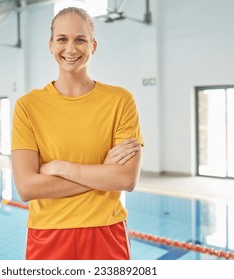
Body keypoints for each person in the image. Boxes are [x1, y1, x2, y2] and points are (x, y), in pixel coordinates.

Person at [11, 7, 144, 260]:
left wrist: (60, 167)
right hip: (47, 233)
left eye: (80, 40)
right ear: (50, 45)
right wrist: (102, 171)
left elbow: (126, 179)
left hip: (106, 231)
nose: (71, 49)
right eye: (62, 39)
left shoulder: (120, 101)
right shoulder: (28, 106)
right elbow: (27, 187)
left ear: (93, 45)